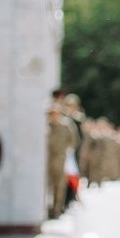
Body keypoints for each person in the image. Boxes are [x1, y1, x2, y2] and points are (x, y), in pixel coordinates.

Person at [45, 90, 77, 218]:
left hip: (61, 159)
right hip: (48, 160)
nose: (54, 115)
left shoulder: (66, 126)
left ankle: (57, 209)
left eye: (56, 113)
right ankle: (48, 208)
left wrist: (68, 155)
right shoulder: (46, 127)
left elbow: (73, 141)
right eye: (52, 113)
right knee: (48, 185)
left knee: (60, 185)